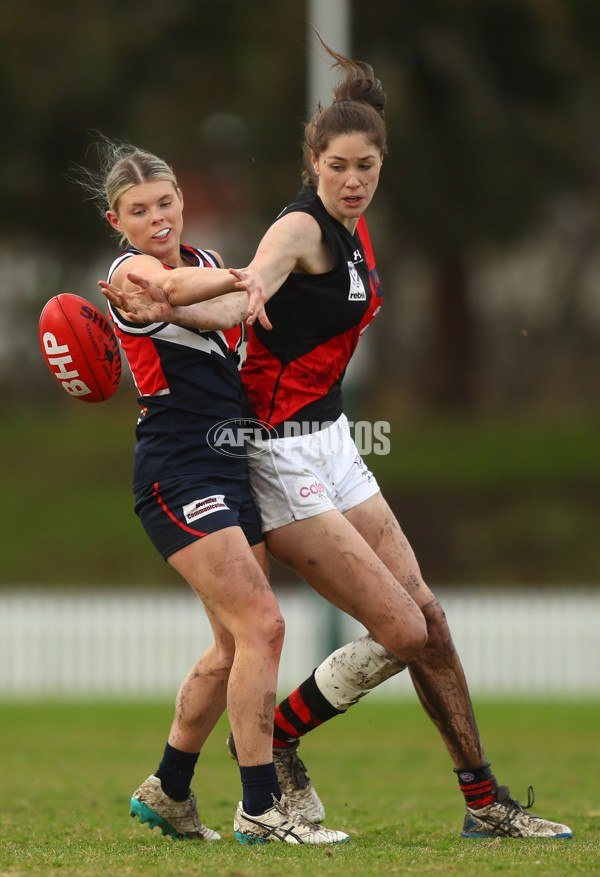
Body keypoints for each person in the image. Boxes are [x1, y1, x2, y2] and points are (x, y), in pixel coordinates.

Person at [104, 44, 573, 841]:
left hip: (333, 441)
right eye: (337, 166)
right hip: (277, 451)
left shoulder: (351, 233)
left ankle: (484, 801)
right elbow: (240, 293)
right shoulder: (296, 229)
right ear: (312, 163)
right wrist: (177, 304)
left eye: (366, 165)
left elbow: (224, 290)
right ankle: (277, 741)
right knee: (392, 629)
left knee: (425, 621)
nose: (353, 179)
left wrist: (204, 295)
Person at [90, 138, 348, 846]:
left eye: (166, 202)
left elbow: (222, 308)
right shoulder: (130, 274)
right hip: (177, 468)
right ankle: (261, 808)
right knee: (264, 623)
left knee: (235, 644)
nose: (157, 218)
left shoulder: (203, 264)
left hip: (228, 461)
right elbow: (170, 294)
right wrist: (242, 278)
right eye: (139, 210)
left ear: (181, 201)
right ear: (119, 221)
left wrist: (243, 287)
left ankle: (170, 788)